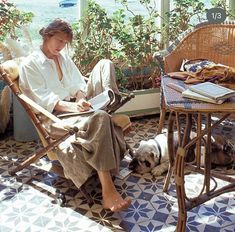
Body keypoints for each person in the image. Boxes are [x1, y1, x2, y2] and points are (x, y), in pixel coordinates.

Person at [19, 18, 131, 212]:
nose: (62, 46)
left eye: (65, 42)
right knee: (102, 118)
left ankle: (109, 101)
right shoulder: (31, 64)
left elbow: (78, 84)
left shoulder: (63, 57)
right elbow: (46, 102)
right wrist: (75, 108)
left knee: (105, 63)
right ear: (47, 35)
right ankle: (108, 191)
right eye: (59, 40)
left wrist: (80, 98)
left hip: (78, 107)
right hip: (56, 116)